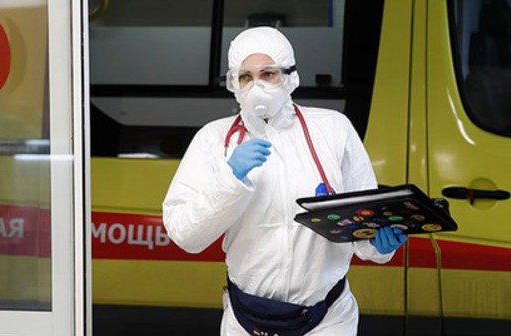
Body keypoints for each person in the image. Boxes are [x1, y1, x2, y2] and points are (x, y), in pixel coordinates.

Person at [162, 27, 407, 336]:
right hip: (246, 321)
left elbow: (362, 218)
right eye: (246, 77)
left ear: (290, 77)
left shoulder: (332, 130)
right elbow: (186, 235)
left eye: (268, 74)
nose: (257, 86)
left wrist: (377, 245)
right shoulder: (213, 140)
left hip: (328, 319)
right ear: (233, 84)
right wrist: (229, 180)